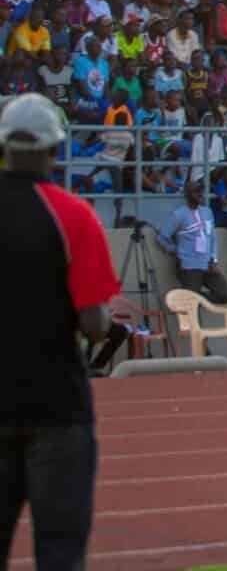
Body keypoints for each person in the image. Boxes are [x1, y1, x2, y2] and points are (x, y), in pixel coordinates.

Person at [2, 94, 119, 571]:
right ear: (56, 148)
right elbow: (94, 323)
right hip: (56, 406)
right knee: (60, 553)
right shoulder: (73, 216)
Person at [156, 176, 227, 305]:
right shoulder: (178, 214)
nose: (200, 194)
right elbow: (162, 237)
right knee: (192, 306)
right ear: (187, 195)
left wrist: (214, 259)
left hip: (208, 265)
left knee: (224, 294)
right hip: (189, 266)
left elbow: (212, 237)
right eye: (196, 191)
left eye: (201, 191)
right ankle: (190, 298)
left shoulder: (207, 211)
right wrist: (175, 250)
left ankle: (192, 296)